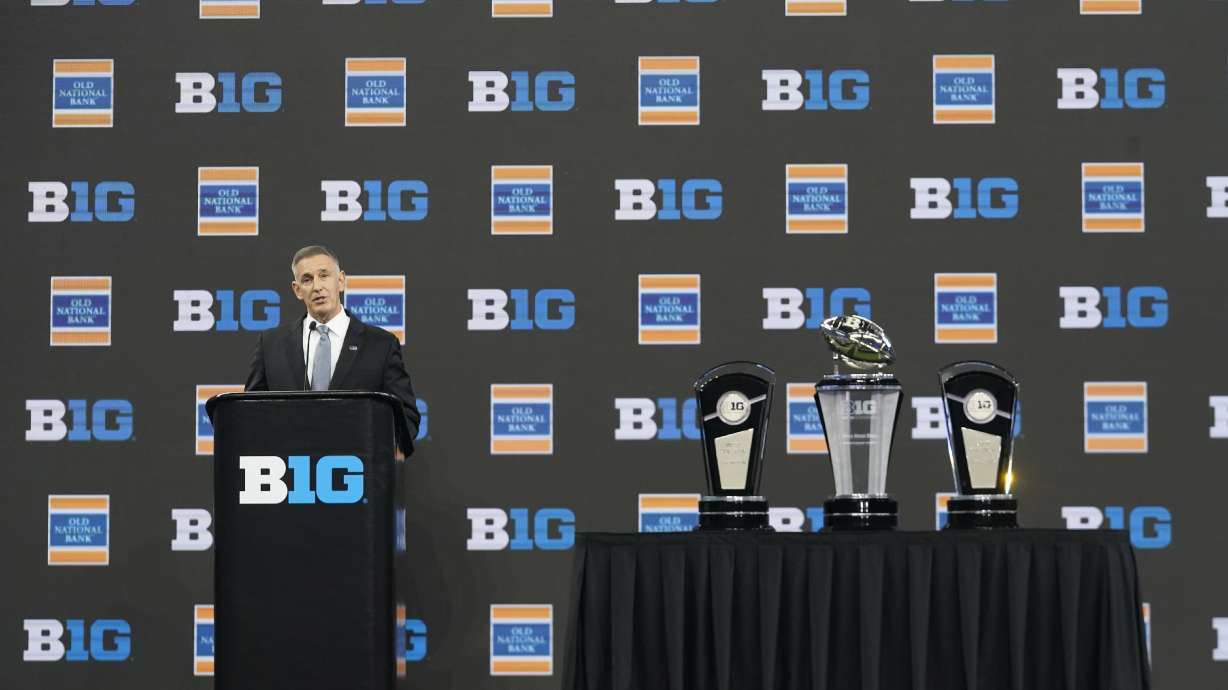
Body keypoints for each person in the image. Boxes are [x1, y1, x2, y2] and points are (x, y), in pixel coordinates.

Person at [245, 245, 420, 452]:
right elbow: (249, 413)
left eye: (324, 275)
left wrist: (390, 451)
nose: (317, 287)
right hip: (288, 471)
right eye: (307, 279)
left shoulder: (380, 345)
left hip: (357, 471)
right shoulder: (271, 344)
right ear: (297, 290)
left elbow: (406, 415)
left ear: (341, 281)